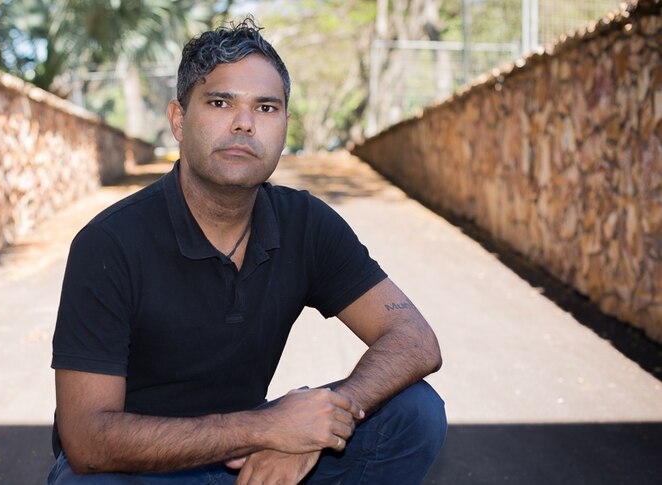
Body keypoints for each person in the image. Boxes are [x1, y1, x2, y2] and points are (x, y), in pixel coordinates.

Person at [49, 18, 446, 485]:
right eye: (220, 102)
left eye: (266, 107)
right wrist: (268, 428)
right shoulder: (110, 243)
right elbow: (86, 438)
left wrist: (319, 427)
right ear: (179, 119)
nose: (244, 122)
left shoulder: (306, 224)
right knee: (84, 481)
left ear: (284, 125)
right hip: (144, 465)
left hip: (252, 465)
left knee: (414, 412)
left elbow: (414, 339)